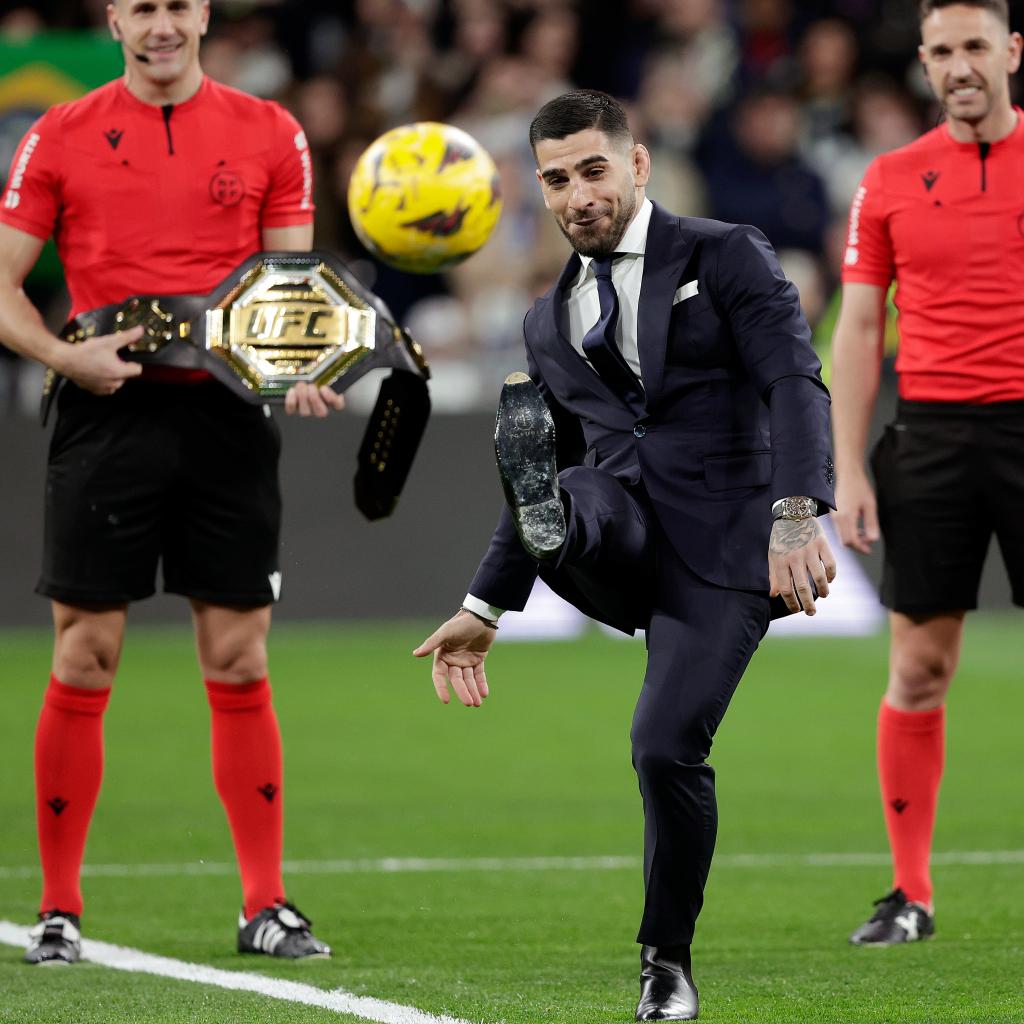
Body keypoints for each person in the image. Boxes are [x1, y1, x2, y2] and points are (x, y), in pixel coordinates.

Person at [414, 89, 837, 1022]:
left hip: (729, 554)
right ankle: (554, 529)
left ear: (637, 165)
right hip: (617, 538)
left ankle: (666, 962)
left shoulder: (725, 254)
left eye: (593, 170)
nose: (576, 194)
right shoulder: (543, 320)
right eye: (556, 180)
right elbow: (549, 474)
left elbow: (795, 382)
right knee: (559, 483)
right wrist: (483, 608)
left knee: (662, 749)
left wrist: (798, 515)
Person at [0, 0, 343, 965]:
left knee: (238, 658)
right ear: (116, 18)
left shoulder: (271, 130)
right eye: (142, 7)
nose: (162, 25)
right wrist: (65, 361)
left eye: (177, 7)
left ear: (203, 16)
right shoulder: (57, 135)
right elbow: (4, 285)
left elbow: (289, 289)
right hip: (105, 409)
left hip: (227, 414)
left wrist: (302, 364)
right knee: (84, 657)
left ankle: (265, 905)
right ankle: (59, 910)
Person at [831, 0, 1024, 946]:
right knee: (920, 666)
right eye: (942, 50)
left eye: (975, 46)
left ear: (1011, 52)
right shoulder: (890, 179)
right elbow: (860, 328)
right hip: (933, 436)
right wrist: (847, 467)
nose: (959, 65)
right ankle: (911, 893)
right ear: (923, 61)